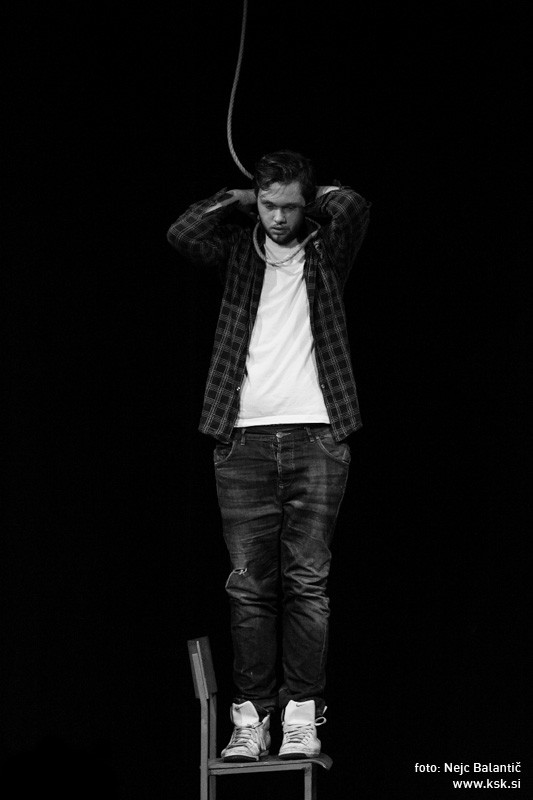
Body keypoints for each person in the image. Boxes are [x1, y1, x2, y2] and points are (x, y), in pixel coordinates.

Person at [167, 150, 370, 762]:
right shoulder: (239, 252)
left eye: (289, 205)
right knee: (249, 588)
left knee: (307, 583)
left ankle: (302, 715)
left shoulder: (326, 253)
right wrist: (233, 198)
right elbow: (182, 233)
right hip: (243, 438)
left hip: (317, 435)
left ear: (306, 204)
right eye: (268, 205)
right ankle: (251, 719)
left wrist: (313, 189)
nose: (278, 218)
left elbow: (353, 206)